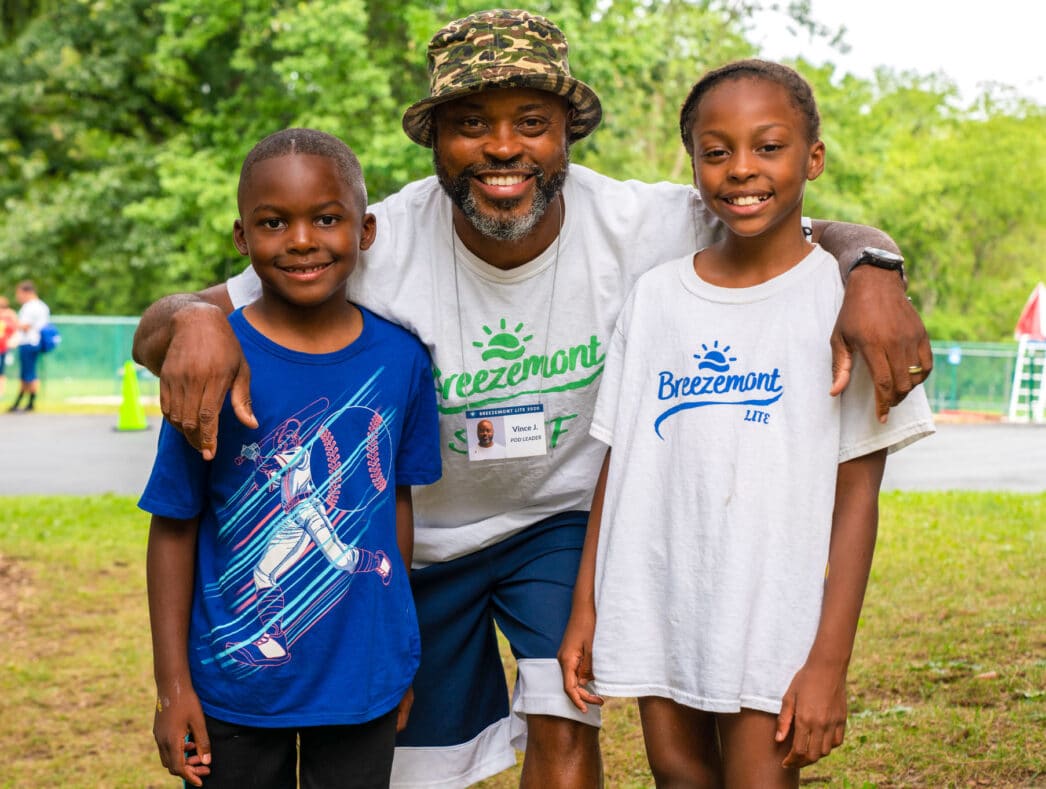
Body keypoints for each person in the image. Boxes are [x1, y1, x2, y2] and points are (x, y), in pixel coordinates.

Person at [132, 10, 933, 787]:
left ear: (568, 135)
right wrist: (202, 316)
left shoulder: (641, 222)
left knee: (563, 713)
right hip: (427, 540)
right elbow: (155, 332)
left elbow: (809, 227)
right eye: (472, 123)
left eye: (532, 121)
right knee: (413, 760)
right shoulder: (381, 237)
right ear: (436, 141)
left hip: (560, 525)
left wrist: (877, 274)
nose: (503, 147)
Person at [558, 60, 935, 787]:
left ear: (813, 158)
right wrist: (587, 605)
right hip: (660, 592)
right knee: (676, 772)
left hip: (773, 613)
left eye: (769, 146)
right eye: (716, 150)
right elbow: (620, 463)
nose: (741, 169)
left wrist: (830, 661)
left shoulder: (843, 302)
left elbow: (857, 498)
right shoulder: (657, 297)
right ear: (694, 163)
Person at [139, 128, 441, 788]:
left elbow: (396, 501)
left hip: (363, 677)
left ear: (364, 230)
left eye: (325, 219)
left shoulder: (402, 361)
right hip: (233, 686)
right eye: (275, 222)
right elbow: (174, 522)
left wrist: (398, 660)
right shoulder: (212, 362)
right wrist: (172, 688)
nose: (301, 240)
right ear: (243, 238)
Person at [9, 280, 50, 412]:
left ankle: (27, 402)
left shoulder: (30, 307)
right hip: (35, 342)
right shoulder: (42, 306)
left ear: (26, 292)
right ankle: (25, 402)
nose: (18, 297)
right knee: (28, 373)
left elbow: (25, 326)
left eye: (19, 294)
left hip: (29, 342)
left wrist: (13, 320)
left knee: (28, 374)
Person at [0, 295, 17, 398]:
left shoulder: (9, 317)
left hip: (2, 349)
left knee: (1, 371)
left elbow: (15, 330)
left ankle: (1, 392)